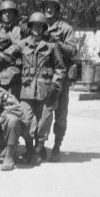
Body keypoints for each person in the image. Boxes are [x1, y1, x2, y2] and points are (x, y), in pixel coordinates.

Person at [17, 12, 66, 165]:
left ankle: (39, 149)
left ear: (44, 28)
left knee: (44, 121)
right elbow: (9, 54)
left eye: (40, 26)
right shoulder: (22, 44)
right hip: (27, 90)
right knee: (26, 120)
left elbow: (60, 68)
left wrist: (55, 85)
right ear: (30, 27)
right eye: (34, 26)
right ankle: (30, 149)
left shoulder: (52, 46)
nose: (37, 29)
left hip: (46, 90)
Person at [41, 0, 78, 162]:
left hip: (61, 76)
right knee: (41, 112)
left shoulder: (65, 28)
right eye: (46, 6)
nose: (49, 9)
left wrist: (57, 42)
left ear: (57, 10)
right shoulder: (38, 25)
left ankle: (57, 145)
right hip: (43, 75)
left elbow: (73, 51)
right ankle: (39, 145)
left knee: (60, 113)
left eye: (52, 7)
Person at [0, 0, 29, 99]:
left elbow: (18, 48)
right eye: (4, 13)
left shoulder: (21, 31)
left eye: (10, 12)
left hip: (15, 74)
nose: (7, 15)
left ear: (15, 15)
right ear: (0, 15)